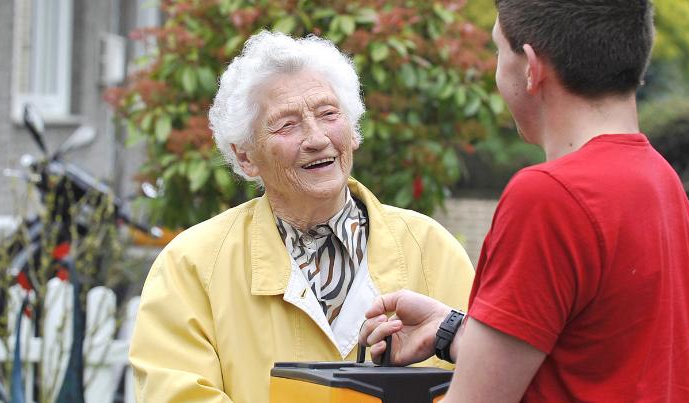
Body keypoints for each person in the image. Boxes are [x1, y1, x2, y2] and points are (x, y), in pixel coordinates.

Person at [359, 1, 689, 402]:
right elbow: (597, 355)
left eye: (497, 51)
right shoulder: (662, 182)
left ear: (529, 67)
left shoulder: (550, 196)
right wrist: (451, 329)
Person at [128, 31, 476, 402]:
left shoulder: (430, 248)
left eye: (329, 114)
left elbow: (489, 381)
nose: (316, 138)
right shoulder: (192, 265)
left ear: (353, 131)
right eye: (287, 124)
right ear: (245, 156)